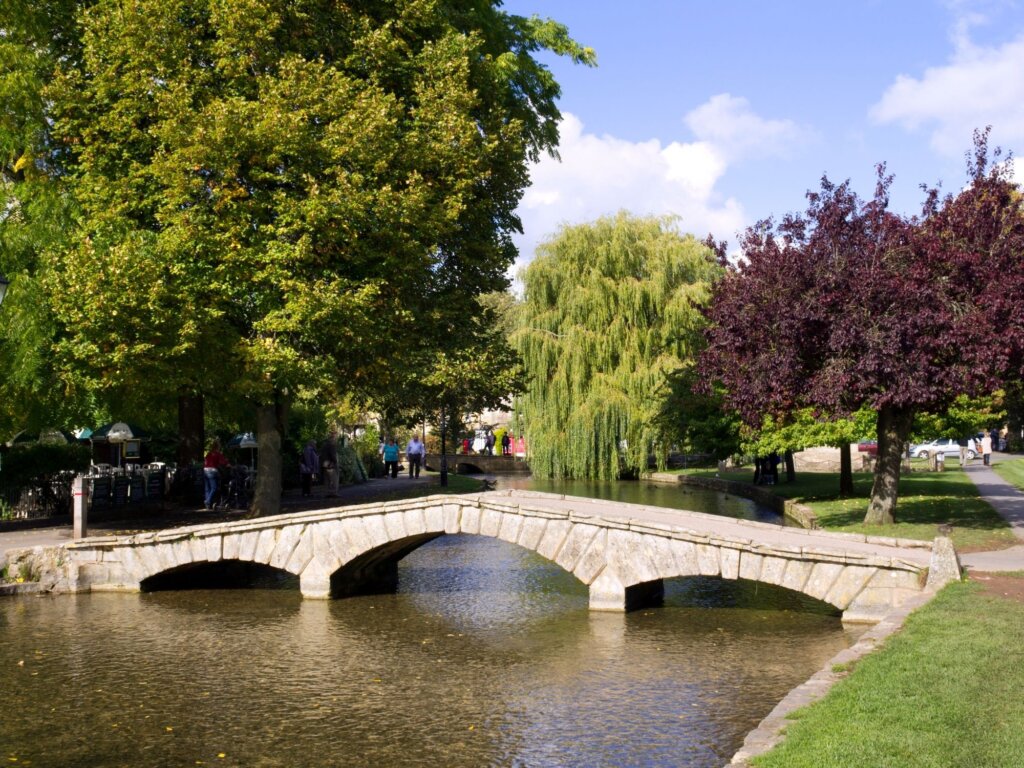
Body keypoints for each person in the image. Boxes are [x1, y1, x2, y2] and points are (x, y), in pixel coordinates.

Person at [203, 440, 229, 510]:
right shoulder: (217, 454)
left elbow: (205, 461)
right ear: (218, 447)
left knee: (207, 488)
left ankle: (208, 505)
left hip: (205, 470)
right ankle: (208, 501)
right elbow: (223, 462)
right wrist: (228, 464)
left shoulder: (209, 453)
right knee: (214, 487)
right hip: (212, 471)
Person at [322, 430, 339, 497]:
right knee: (334, 478)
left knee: (327, 479)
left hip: (325, 463)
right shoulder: (332, 445)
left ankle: (327, 492)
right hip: (331, 463)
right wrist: (335, 461)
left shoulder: (325, 445)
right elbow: (333, 455)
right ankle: (334, 492)